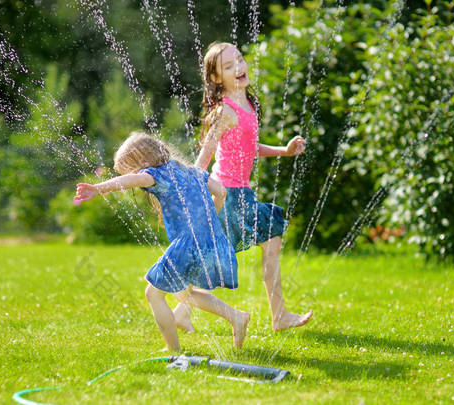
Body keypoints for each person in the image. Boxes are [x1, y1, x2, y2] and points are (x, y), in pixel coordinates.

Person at [173, 42, 313, 332]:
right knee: (226, 255)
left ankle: (183, 310)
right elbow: (207, 151)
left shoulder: (248, 104)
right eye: (228, 66)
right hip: (228, 196)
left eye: (239, 59)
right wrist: (193, 185)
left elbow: (249, 148)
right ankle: (278, 316)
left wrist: (284, 151)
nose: (238, 67)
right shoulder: (225, 111)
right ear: (215, 78)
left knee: (220, 256)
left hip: (239, 195)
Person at [74, 132, 249, 351]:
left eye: (133, 168)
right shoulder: (192, 171)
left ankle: (173, 351)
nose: (136, 174)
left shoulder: (155, 174)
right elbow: (221, 191)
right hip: (213, 241)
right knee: (182, 292)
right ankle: (236, 317)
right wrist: (208, 217)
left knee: (153, 294)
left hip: (189, 244)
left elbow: (132, 181)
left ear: (144, 163)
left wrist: (99, 188)